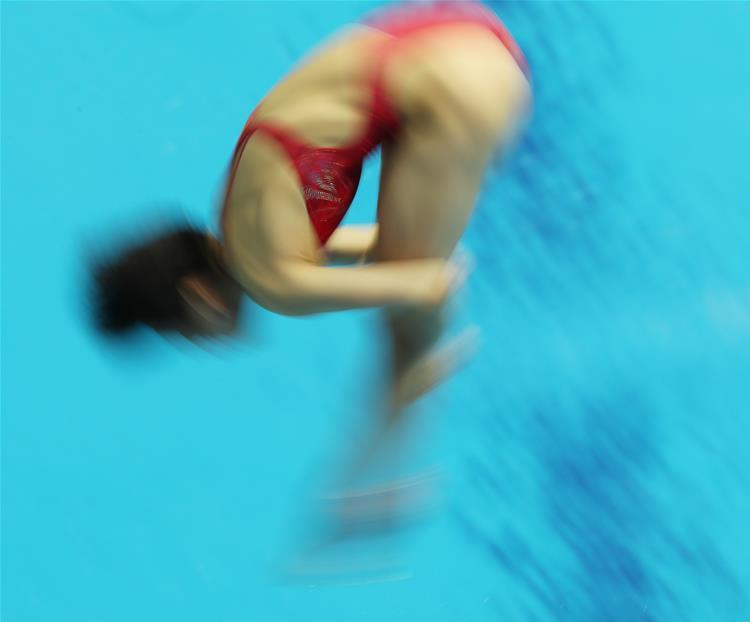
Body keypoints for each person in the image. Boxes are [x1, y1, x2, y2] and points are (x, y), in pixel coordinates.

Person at [90, 0, 531, 533]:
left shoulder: (274, 283)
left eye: (185, 335)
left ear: (196, 299)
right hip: (442, 31)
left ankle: (371, 490)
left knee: (405, 333)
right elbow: (382, 250)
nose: (203, 343)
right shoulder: (235, 220)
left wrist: (421, 362)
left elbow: (431, 282)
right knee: (402, 286)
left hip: (460, 84)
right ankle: (366, 480)